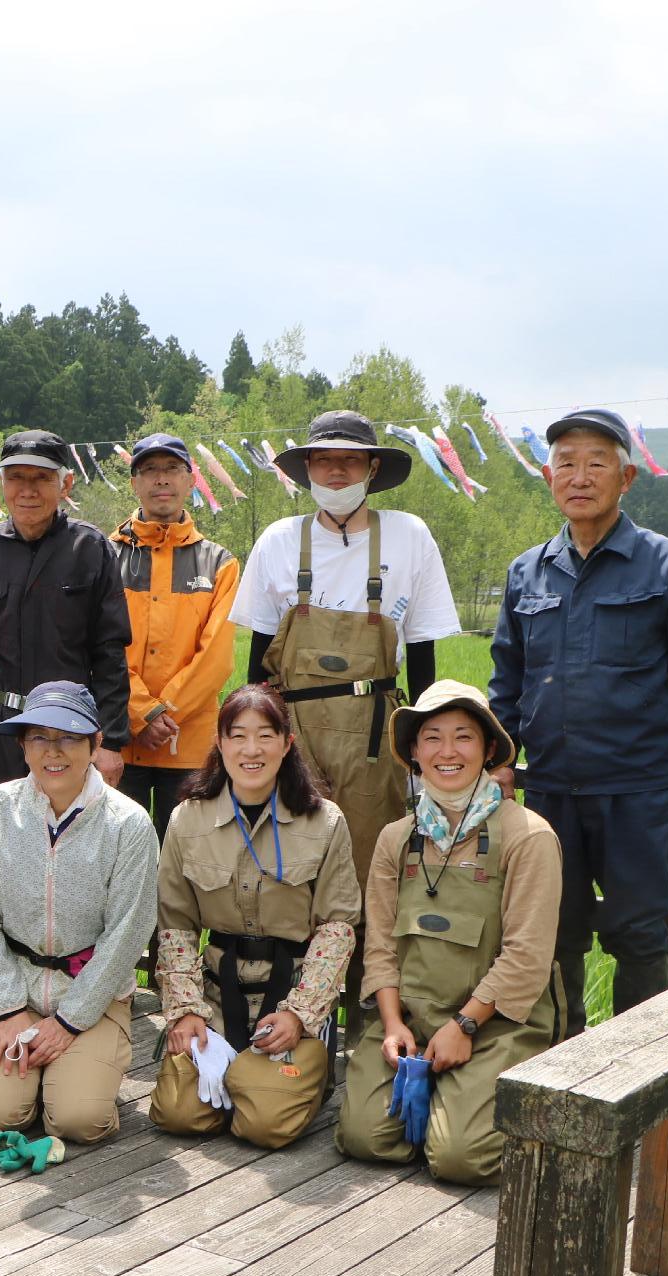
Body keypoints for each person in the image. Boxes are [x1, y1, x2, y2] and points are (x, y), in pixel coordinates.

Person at [490, 407, 668, 1035]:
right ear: (548, 477)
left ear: (627, 479)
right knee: (552, 935)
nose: (581, 476)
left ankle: (633, 1077)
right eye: (566, 463)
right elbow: (505, 680)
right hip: (548, 793)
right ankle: (561, 1069)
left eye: (598, 463)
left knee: (641, 936)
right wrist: (500, 763)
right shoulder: (526, 572)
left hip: (639, 791)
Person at [232, 410, 460, 1044]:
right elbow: (256, 659)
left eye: (350, 461)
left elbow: (423, 655)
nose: (336, 471)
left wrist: (421, 747)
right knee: (287, 874)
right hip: (293, 733)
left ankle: (364, 1028)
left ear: (373, 469)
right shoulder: (278, 539)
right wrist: (253, 741)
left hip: (371, 737)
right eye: (323, 461)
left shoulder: (410, 537)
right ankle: (287, 1021)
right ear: (305, 470)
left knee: (366, 883)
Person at [336, 681, 564, 1186]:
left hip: (495, 1026)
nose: (447, 752)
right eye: (432, 737)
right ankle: (446, 1098)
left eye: (463, 737)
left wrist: (462, 1027)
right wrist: (394, 1024)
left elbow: (526, 958)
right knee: (364, 1138)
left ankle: (468, 1104)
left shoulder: (528, 836)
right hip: (411, 1023)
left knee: (462, 1159)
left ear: (487, 750)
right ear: (414, 753)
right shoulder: (396, 838)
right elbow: (379, 946)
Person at [148, 684, 359, 1149]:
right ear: (219, 743)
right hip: (217, 992)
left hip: (292, 990)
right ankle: (243, 1073)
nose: (251, 749)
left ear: (287, 743)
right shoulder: (188, 820)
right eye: (237, 735)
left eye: (266, 735)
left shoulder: (325, 822)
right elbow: (176, 925)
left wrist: (300, 1015)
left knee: (264, 1125)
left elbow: (338, 927)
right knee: (179, 1114)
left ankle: (303, 1061)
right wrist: (185, 1012)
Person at [0, 681, 157, 1144]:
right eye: (40, 737)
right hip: (14, 991)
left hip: (88, 996)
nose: (54, 751)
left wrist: (69, 1022)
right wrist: (8, 1009)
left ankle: (80, 1066)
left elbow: (129, 931)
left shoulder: (128, 824)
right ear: (23, 746)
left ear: (95, 743)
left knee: (78, 1122)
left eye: (69, 737)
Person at [0, 430, 132, 809]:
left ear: (65, 483)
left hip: (68, 728)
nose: (27, 490)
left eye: (41, 478)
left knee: (69, 832)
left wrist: (110, 741)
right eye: (16, 478)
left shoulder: (90, 549)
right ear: (1, 485)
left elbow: (110, 654)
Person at [111, 434, 240, 837]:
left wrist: (162, 714)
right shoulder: (102, 555)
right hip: (116, 739)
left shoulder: (220, 562)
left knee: (188, 862)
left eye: (172, 470)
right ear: (134, 482)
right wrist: (140, 713)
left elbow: (216, 657)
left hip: (190, 745)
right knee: (118, 862)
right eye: (150, 470)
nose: (161, 480)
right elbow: (95, 646)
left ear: (191, 480)